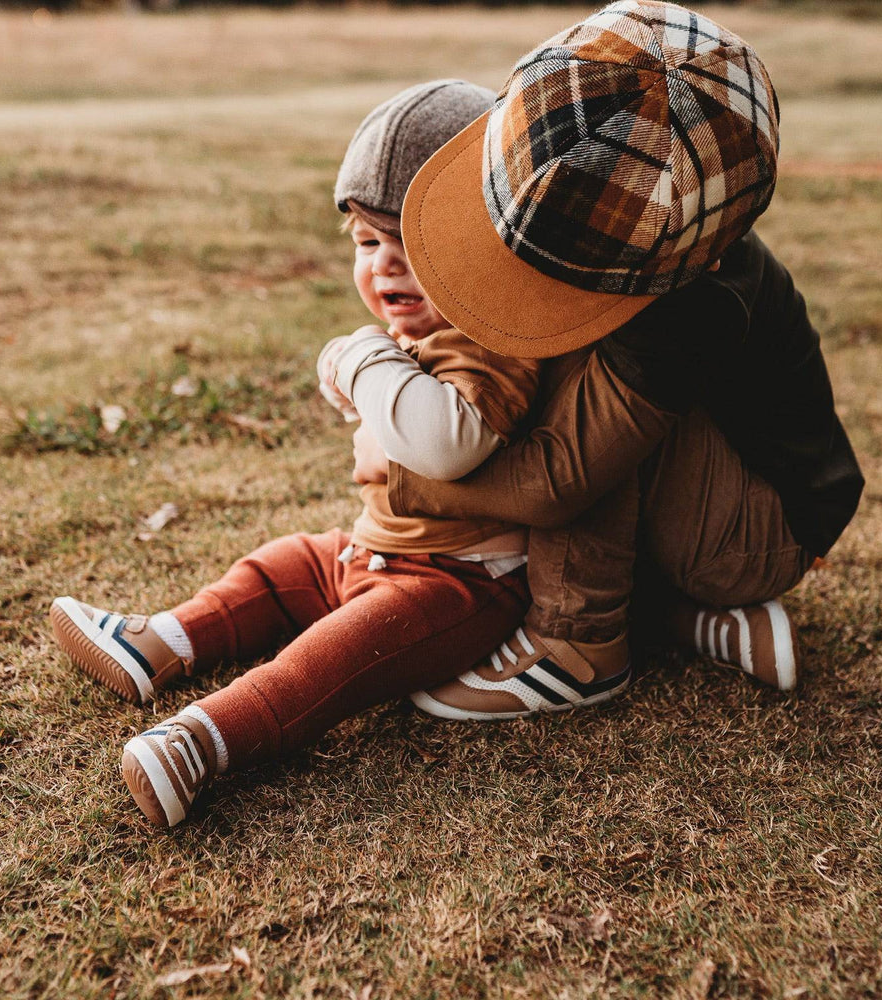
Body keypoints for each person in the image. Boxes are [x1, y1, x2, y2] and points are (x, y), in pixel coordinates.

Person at [48, 80, 542, 828]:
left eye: (414, 249)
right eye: (369, 244)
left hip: (462, 584)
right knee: (283, 567)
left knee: (326, 662)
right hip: (376, 552)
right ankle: (162, 642)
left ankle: (201, 742)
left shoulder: (495, 340)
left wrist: (361, 361)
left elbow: (447, 443)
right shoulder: (427, 334)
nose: (385, 268)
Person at [367, 0, 864, 719]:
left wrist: (409, 482)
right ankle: (688, 622)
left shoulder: (694, 307)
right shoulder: (640, 215)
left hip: (759, 534)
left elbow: (557, 484)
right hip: (714, 511)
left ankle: (578, 648)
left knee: (581, 400)